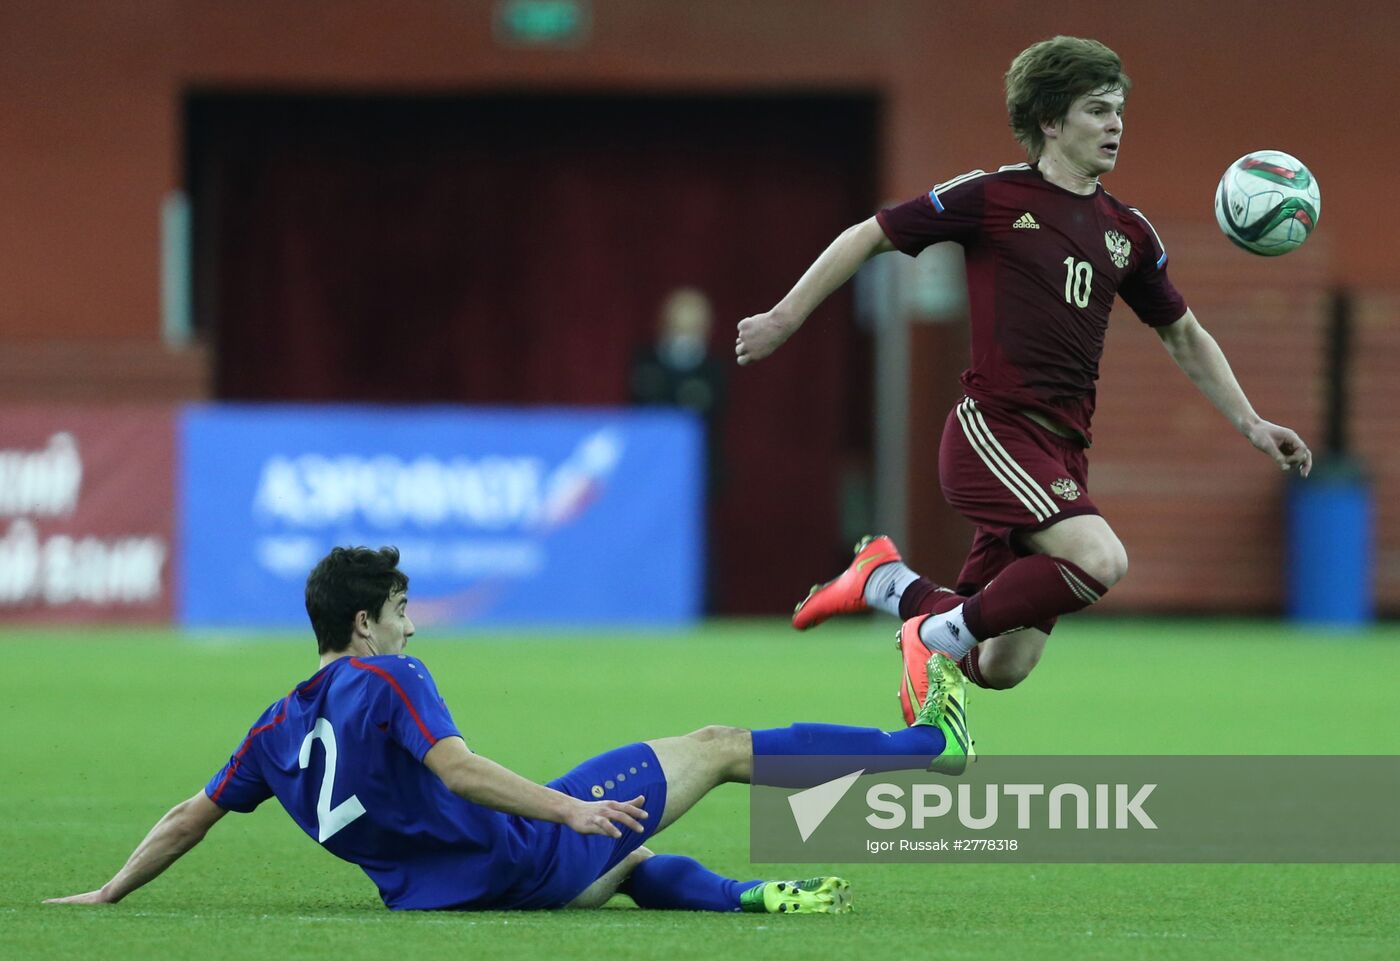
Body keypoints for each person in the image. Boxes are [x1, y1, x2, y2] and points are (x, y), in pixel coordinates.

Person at [734, 36, 1312, 722]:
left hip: (1062, 452)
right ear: (1049, 121)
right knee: (1100, 557)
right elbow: (870, 233)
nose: (1115, 125)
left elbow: (1182, 332)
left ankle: (886, 582)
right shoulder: (994, 196)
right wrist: (783, 315)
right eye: (1097, 110)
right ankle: (928, 632)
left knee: (1002, 665)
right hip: (992, 431)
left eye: (1119, 110)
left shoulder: (1128, 231)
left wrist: (1251, 420)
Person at [45, 545, 973, 914]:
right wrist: (566, 813)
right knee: (720, 743)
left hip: (450, 896)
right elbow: (457, 768)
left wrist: (107, 893)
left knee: (629, 859)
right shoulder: (389, 675)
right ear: (364, 625)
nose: (412, 623)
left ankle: (746, 897)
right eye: (403, 608)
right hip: (526, 858)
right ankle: (929, 747)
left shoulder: (273, 728)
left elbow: (190, 816)